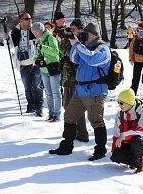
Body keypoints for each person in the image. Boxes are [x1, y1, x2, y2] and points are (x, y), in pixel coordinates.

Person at [49, 22, 111, 161]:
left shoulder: (103, 49)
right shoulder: (85, 47)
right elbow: (74, 58)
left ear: (94, 35)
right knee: (69, 116)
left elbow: (92, 59)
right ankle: (66, 146)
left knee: (96, 121)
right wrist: (74, 42)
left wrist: (78, 44)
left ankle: (100, 150)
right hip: (80, 90)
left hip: (95, 91)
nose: (82, 36)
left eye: (85, 34)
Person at [55, 13, 89, 142]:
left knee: (74, 108)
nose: (72, 32)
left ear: (81, 29)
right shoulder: (74, 41)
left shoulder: (82, 42)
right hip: (68, 78)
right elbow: (62, 51)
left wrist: (68, 40)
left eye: (73, 29)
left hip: (75, 80)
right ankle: (75, 132)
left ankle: (80, 134)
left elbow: (67, 52)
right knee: (68, 106)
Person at [3, 12, 44, 116]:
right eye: (26, 18)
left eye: (30, 18)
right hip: (22, 63)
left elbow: (41, 42)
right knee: (27, 87)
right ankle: (31, 106)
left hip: (35, 62)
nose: (29, 20)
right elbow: (8, 46)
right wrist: (5, 39)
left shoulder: (34, 30)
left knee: (37, 86)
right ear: (20, 20)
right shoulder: (14, 32)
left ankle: (39, 108)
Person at [110, 88, 143, 173]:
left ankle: (142, 163)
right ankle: (135, 162)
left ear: (129, 102)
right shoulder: (120, 114)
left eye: (121, 103)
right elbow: (116, 133)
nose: (119, 105)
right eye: (118, 102)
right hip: (127, 142)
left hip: (142, 142)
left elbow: (142, 131)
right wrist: (114, 150)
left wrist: (124, 135)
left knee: (136, 140)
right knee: (115, 157)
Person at [31, 22, 62, 122]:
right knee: (48, 93)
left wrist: (43, 47)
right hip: (44, 69)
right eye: (34, 33)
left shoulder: (50, 38)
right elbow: (36, 54)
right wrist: (36, 61)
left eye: (36, 32)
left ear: (41, 30)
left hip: (53, 69)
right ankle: (51, 113)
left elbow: (55, 52)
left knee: (55, 93)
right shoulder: (39, 41)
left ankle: (57, 114)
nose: (35, 35)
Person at [129, 22, 143, 95]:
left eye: (142, 29)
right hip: (137, 60)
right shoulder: (136, 37)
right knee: (135, 78)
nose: (140, 30)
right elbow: (131, 48)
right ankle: (133, 91)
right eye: (139, 29)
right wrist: (131, 58)